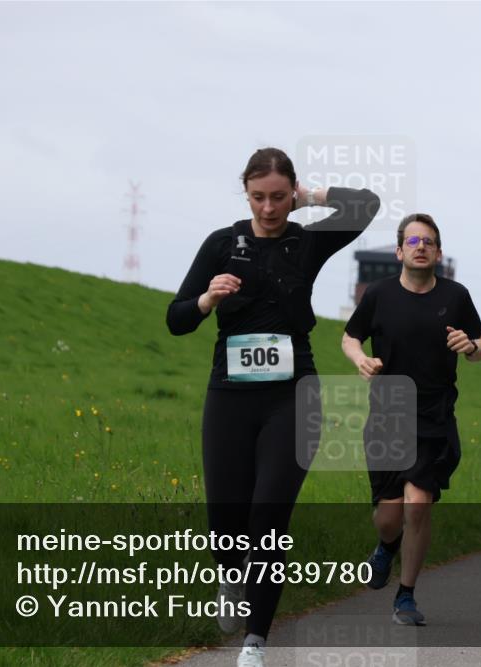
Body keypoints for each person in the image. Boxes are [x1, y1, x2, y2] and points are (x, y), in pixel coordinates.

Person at [167, 147, 379, 667]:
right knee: (226, 518)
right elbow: (176, 319)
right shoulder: (221, 244)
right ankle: (229, 575)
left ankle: (255, 643)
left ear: (292, 193)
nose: (268, 208)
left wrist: (312, 199)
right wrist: (207, 301)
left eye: (280, 197)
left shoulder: (305, 243)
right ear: (245, 193)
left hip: (293, 393)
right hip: (230, 395)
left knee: (269, 516)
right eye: (259, 197)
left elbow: (366, 205)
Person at [342, 212, 481, 626]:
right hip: (387, 414)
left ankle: (405, 596)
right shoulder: (379, 295)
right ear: (399, 250)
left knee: (418, 504)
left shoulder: (456, 296)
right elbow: (350, 335)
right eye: (413, 241)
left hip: (435, 414)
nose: (420, 246)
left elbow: (480, 346)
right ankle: (386, 547)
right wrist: (360, 359)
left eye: (428, 242)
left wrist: (470, 344)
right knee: (388, 517)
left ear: (438, 253)